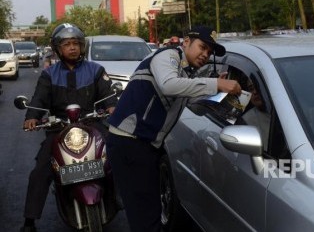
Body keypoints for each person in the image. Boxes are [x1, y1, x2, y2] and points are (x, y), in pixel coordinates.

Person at [106, 25, 242, 232]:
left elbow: (194, 106)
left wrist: (225, 97)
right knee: (145, 215)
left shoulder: (185, 74)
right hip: (129, 143)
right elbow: (169, 85)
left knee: (149, 212)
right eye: (202, 47)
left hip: (144, 145)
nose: (205, 54)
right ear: (186, 42)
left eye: (209, 52)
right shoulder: (168, 56)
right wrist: (216, 84)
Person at [20, 23, 117, 232]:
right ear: (58, 49)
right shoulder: (49, 75)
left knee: (117, 154)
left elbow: (108, 95)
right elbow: (38, 100)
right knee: (41, 170)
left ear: (82, 46)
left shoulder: (96, 70)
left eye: (76, 43)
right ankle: (29, 221)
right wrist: (32, 117)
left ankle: (119, 200)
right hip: (59, 128)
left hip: (92, 124)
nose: (72, 47)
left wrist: (112, 107)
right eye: (66, 44)